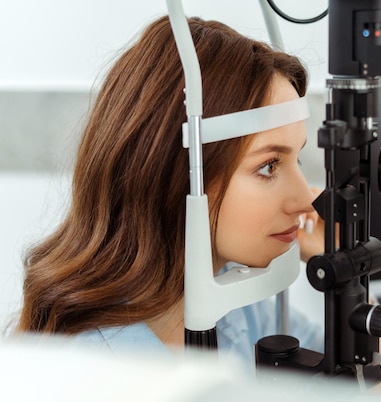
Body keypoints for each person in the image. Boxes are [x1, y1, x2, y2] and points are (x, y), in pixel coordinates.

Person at [16, 16, 324, 368]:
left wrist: (344, 274)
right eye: (268, 166)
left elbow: (366, 394)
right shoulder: (88, 372)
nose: (306, 200)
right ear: (174, 174)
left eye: (296, 158)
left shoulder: (238, 309)